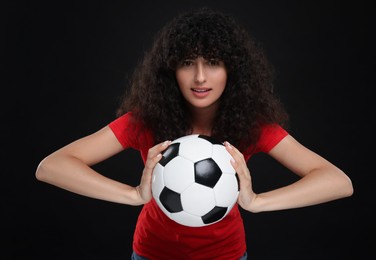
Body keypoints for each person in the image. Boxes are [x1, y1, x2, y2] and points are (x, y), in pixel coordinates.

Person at [35, 7, 353, 260]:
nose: (200, 77)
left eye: (213, 62)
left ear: (233, 70)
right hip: (151, 254)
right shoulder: (145, 121)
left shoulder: (252, 125)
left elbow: (338, 182)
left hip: (226, 256)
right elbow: (52, 166)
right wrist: (132, 195)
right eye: (188, 62)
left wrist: (257, 202)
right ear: (171, 69)